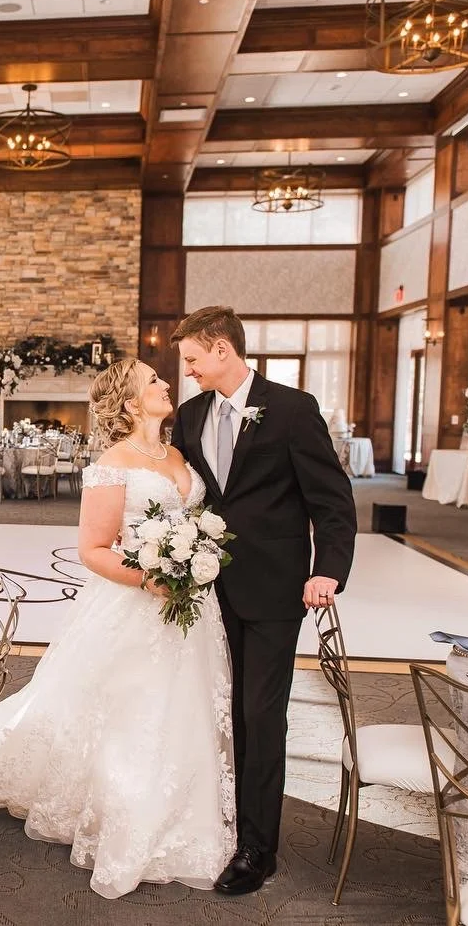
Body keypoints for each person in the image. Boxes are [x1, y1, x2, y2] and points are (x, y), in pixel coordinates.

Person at [0, 357, 236, 898]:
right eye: (155, 382)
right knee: (131, 714)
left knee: (185, 708)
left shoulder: (178, 454)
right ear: (129, 401)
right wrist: (150, 579)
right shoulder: (113, 464)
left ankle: (187, 809)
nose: (168, 384)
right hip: (136, 606)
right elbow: (92, 550)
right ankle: (126, 814)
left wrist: (194, 562)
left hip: (191, 610)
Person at [169, 305, 356, 896]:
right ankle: (222, 815)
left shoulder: (293, 410)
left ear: (222, 349)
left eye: (194, 359)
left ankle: (257, 847)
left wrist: (327, 570)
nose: (190, 372)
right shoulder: (192, 416)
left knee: (260, 713)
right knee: (219, 710)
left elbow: (333, 501)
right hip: (203, 591)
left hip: (274, 590)